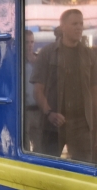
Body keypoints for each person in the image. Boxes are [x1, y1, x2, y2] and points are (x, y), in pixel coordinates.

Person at [31, 9, 97, 163]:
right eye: (74, 24)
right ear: (63, 27)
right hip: (53, 125)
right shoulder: (48, 53)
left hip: (82, 124)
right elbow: (38, 91)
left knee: (84, 170)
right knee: (47, 168)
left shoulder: (89, 55)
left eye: (81, 24)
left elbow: (94, 92)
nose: (79, 27)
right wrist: (49, 113)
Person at [23, 29, 40, 153]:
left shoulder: (39, 60)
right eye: (26, 42)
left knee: (39, 146)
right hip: (25, 110)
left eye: (32, 42)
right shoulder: (18, 62)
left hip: (39, 109)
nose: (30, 45)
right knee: (25, 146)